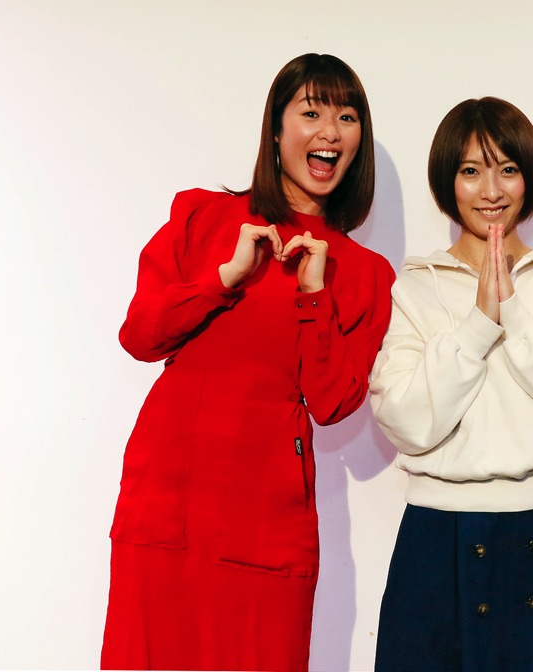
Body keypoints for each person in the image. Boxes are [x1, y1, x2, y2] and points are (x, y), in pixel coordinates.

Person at [101, 53, 394, 671]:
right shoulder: (202, 215)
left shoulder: (364, 273)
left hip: (267, 523)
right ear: (276, 129)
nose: (330, 131)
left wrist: (313, 295)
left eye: (346, 117)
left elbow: (333, 403)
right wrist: (223, 279)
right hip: (167, 506)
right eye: (311, 112)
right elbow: (140, 335)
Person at [369, 97, 533, 671]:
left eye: (508, 169)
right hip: (439, 534)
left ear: (529, 178)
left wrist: (513, 312)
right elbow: (404, 421)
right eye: (471, 170)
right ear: (448, 181)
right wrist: (478, 323)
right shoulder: (417, 288)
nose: (491, 190)